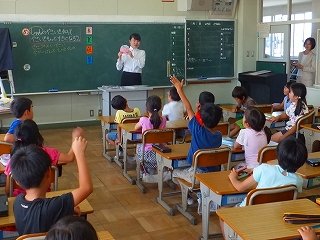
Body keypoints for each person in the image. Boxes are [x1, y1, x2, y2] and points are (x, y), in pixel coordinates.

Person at [10, 136, 93, 235]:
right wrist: (79, 153)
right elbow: (86, 188)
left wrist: (64, 210)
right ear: (49, 173)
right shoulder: (53, 207)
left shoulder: (17, 202)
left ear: (17, 181)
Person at [4, 119, 83, 196]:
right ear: (37, 135)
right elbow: (70, 158)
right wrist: (76, 138)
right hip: (44, 196)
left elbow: (8, 190)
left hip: (19, 200)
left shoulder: (14, 160)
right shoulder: (48, 153)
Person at [170, 76, 223, 184]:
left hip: (196, 174)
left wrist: (179, 89)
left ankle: (189, 195)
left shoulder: (197, 130)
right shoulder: (219, 135)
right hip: (214, 173)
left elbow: (188, 108)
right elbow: (189, 109)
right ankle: (200, 196)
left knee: (174, 172)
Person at [229, 136, 306, 207]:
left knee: (222, 210)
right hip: (274, 214)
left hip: (249, 211)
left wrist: (233, 177)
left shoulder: (263, 169)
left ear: (277, 154)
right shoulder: (298, 180)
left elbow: (240, 188)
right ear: (302, 162)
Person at [134, 95, 167, 182]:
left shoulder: (143, 120)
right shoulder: (163, 120)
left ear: (147, 108)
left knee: (138, 146)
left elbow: (135, 128)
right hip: (160, 154)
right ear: (160, 107)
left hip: (147, 155)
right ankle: (152, 170)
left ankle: (143, 172)